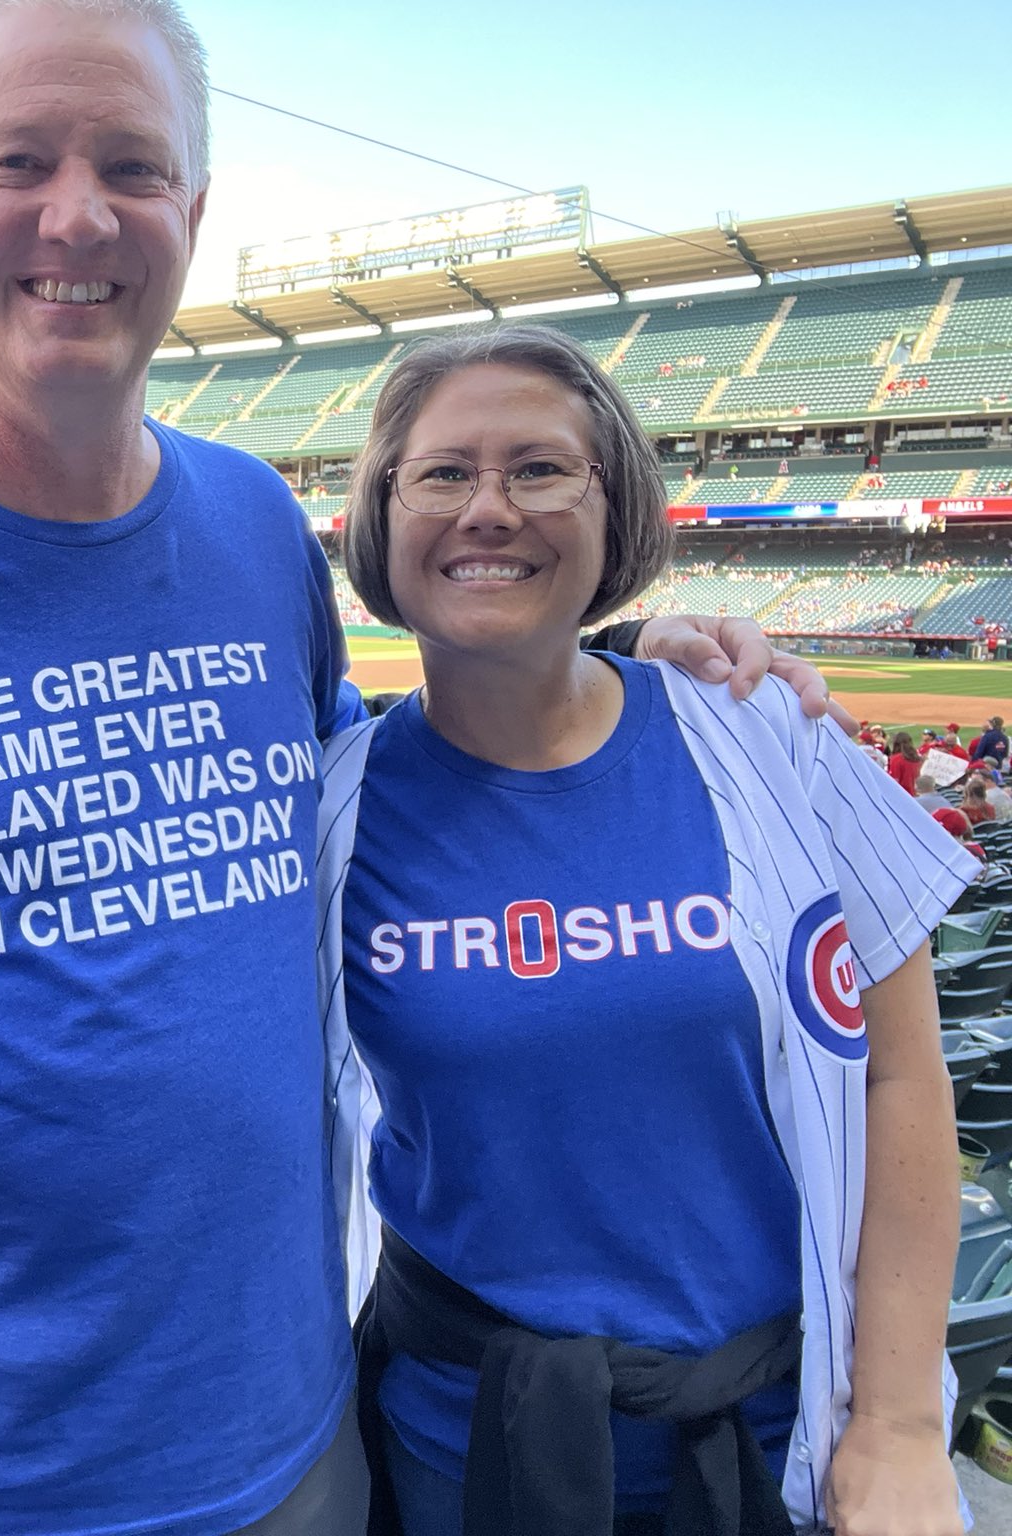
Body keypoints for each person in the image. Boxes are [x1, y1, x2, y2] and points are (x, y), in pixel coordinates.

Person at [0, 4, 837, 1533]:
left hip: (309, 1442)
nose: (78, 211)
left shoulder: (249, 533)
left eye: (134, 166)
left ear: (194, 216)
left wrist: (630, 653)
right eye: (19, 158)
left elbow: (415, 803)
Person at [322, 325, 968, 1536]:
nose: (488, 507)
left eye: (539, 468)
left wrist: (893, 1428)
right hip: (465, 1443)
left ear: (612, 503)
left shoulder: (764, 734)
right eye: (443, 472)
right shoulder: (329, 808)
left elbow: (901, 1075)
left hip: (779, 1433)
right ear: (380, 515)